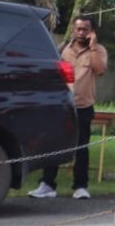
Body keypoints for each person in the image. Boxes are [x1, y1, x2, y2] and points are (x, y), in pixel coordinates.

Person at [29, 15, 108, 200]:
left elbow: (101, 70)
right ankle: (48, 184)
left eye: (85, 29)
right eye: (78, 29)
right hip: (61, 105)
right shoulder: (64, 49)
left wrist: (94, 45)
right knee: (54, 144)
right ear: (74, 29)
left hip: (83, 107)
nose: (81, 33)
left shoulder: (99, 50)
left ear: (92, 31)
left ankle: (80, 186)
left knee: (81, 147)